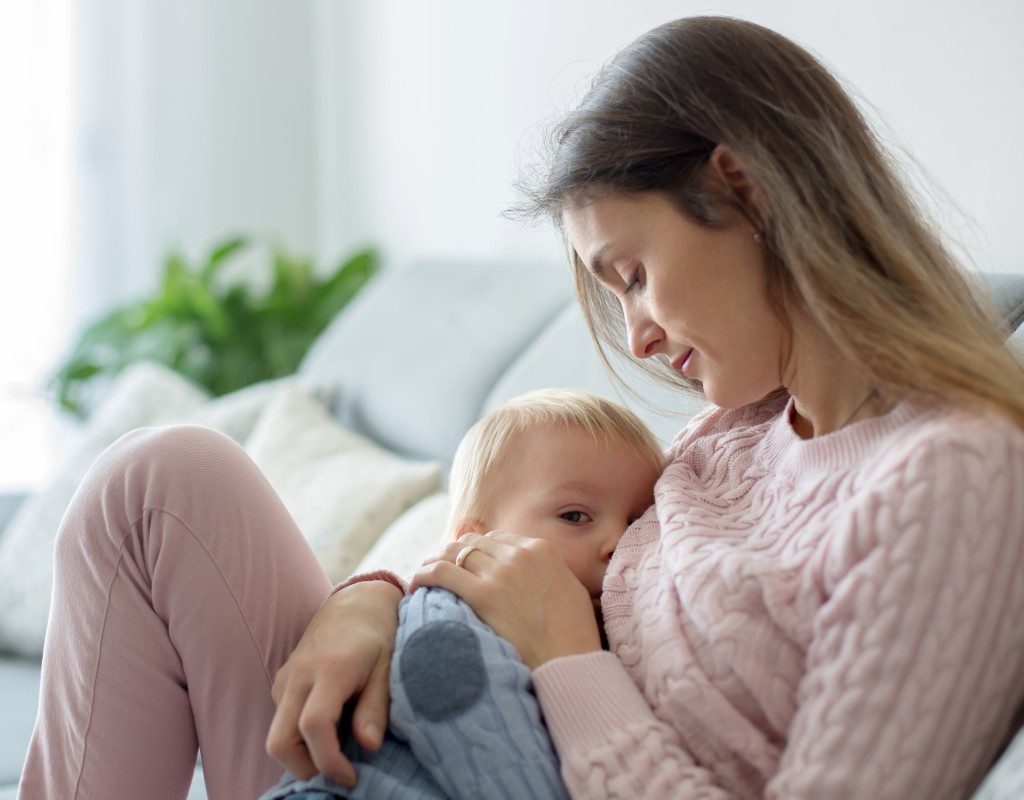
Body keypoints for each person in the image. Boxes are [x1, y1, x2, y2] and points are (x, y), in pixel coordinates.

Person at [18, 15, 1024, 800]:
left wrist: (567, 661)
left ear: (747, 190)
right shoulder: (736, 431)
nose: (634, 338)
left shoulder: (954, 476)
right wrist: (372, 595)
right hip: (415, 761)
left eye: (632, 272)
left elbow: (558, 625)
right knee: (162, 482)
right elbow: (532, 538)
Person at [257, 389, 662, 799]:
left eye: (637, 521)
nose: (618, 542)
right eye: (574, 516)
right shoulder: (450, 611)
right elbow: (463, 722)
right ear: (475, 542)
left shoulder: (619, 638)